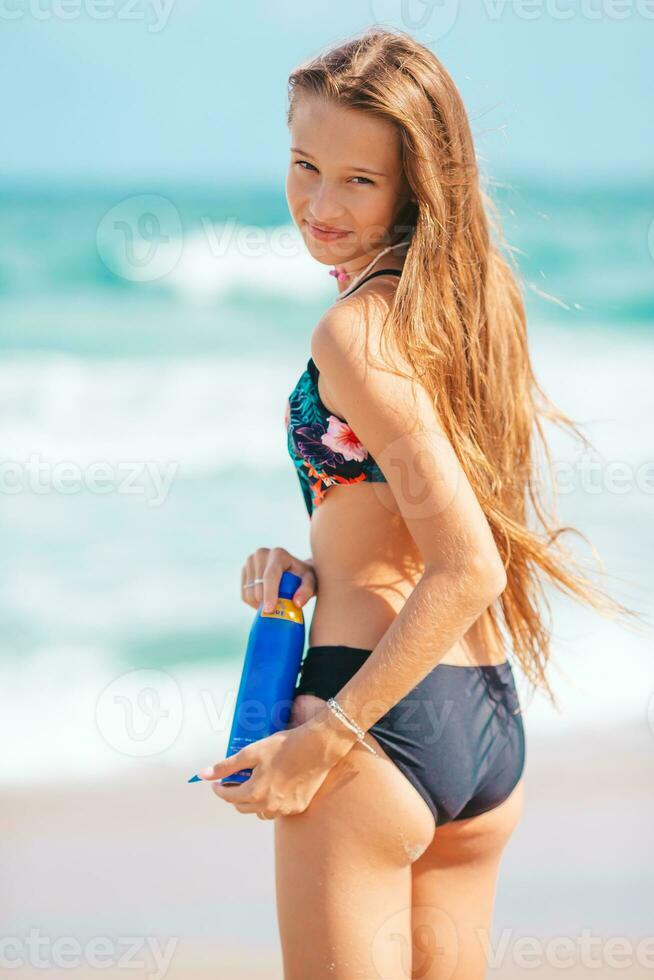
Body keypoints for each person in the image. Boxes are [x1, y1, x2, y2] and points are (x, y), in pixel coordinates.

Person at [199, 27, 640, 980]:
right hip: (481, 724)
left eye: (359, 179)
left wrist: (328, 742)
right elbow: (416, 510)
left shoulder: (354, 330)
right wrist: (314, 561)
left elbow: (470, 559)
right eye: (305, 164)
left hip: (376, 717)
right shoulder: (470, 303)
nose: (320, 203)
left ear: (415, 184)